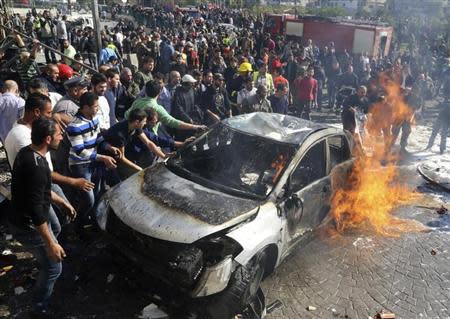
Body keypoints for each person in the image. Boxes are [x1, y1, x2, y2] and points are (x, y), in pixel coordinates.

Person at [9, 117, 76, 317]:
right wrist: (50, 244)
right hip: (27, 225)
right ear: (48, 138)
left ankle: (45, 266)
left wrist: (62, 202)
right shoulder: (36, 166)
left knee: (55, 232)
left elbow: (43, 190)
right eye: (58, 134)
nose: (61, 137)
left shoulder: (29, 153)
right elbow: (36, 211)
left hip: (26, 217)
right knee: (55, 268)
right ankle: (39, 307)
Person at [66, 92, 118, 225]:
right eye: (95, 106)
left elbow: (98, 138)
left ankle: (93, 221)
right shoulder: (74, 126)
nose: (98, 109)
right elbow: (80, 151)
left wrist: (109, 147)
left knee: (98, 193)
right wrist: (103, 158)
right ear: (85, 107)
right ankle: (78, 222)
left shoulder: (94, 119)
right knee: (88, 199)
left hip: (94, 162)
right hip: (80, 165)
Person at [104, 108, 167, 179]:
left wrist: (164, 156)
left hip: (121, 156)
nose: (145, 123)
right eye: (144, 121)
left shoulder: (135, 126)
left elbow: (148, 142)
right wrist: (140, 170)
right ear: (137, 122)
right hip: (109, 159)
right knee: (139, 176)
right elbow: (122, 158)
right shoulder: (120, 134)